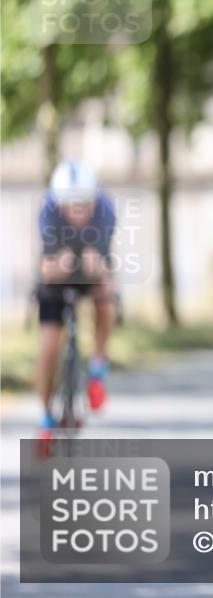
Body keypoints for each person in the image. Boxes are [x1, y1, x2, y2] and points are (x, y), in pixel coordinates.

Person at [35, 160, 117, 439]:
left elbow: (106, 268)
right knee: (48, 347)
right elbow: (46, 269)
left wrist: (97, 268)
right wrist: (58, 266)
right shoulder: (47, 212)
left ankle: (97, 368)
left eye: (83, 204)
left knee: (106, 298)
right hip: (56, 275)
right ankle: (46, 416)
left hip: (91, 270)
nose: (78, 212)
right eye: (71, 205)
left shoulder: (105, 210)